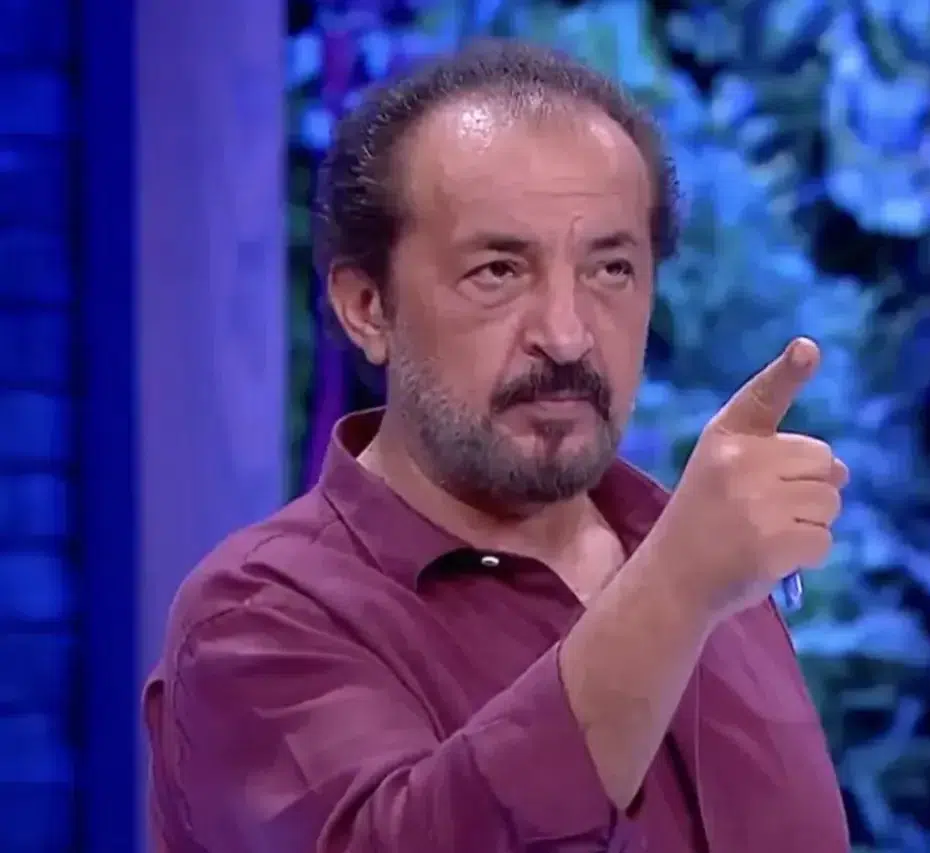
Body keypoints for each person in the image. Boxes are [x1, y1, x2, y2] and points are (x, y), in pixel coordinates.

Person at [143, 39, 851, 853]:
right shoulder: (256, 619)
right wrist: (675, 588)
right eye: (498, 271)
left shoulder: (700, 561)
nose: (566, 334)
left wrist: (685, 574)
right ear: (368, 306)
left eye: (611, 270)